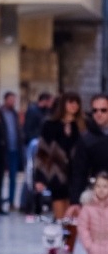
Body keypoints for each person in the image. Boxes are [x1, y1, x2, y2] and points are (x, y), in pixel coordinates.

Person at [33, 92, 84, 221]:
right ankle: (60, 234)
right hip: (57, 174)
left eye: (77, 102)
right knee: (61, 218)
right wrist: (40, 178)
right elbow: (43, 152)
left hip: (78, 174)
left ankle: (70, 235)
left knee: (75, 219)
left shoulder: (84, 124)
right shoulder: (50, 124)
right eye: (70, 102)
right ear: (63, 104)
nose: (74, 105)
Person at [69, 94, 108, 209]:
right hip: (96, 195)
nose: (98, 114)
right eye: (95, 110)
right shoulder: (86, 139)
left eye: (103, 110)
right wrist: (75, 201)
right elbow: (79, 172)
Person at [77, 170, 108, 254]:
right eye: (99, 186)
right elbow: (83, 227)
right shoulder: (88, 207)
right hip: (95, 246)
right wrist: (89, 245)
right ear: (94, 188)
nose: (101, 190)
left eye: (105, 186)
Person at [0, 90, 23, 211]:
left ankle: (11, 201)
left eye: (14, 100)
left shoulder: (14, 114)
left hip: (14, 149)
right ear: (5, 100)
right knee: (0, 177)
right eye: (11, 99)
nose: (13, 102)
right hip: (3, 150)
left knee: (13, 177)